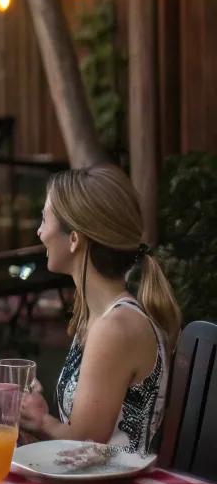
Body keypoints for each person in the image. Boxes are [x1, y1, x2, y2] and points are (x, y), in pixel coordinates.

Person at [20, 164, 181, 454]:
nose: (39, 231)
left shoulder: (115, 328)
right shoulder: (98, 317)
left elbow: (85, 444)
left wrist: (41, 420)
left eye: (45, 219)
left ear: (74, 240)